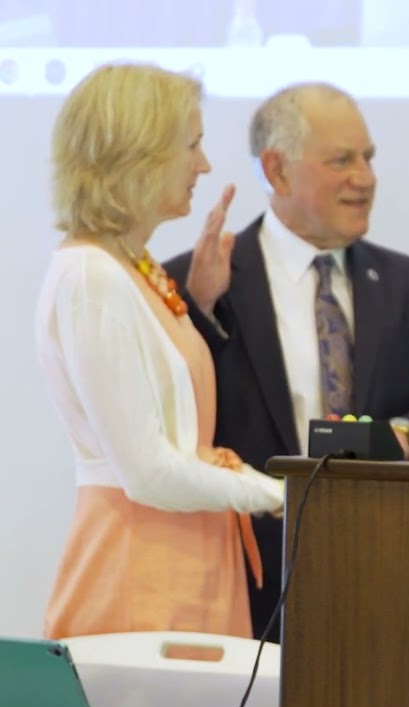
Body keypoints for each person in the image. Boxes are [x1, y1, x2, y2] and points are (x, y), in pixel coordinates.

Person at [164, 82, 409, 641]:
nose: (366, 178)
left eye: (368, 158)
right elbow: (178, 423)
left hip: (389, 578)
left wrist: (400, 435)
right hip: (245, 588)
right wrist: (200, 309)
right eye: (343, 161)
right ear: (277, 171)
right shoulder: (200, 280)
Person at [35, 63, 284, 640]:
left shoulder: (129, 268)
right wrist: (276, 493)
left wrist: (198, 299)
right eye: (191, 145)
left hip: (186, 561)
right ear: (138, 155)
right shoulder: (92, 275)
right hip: (141, 573)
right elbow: (147, 471)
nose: (204, 164)